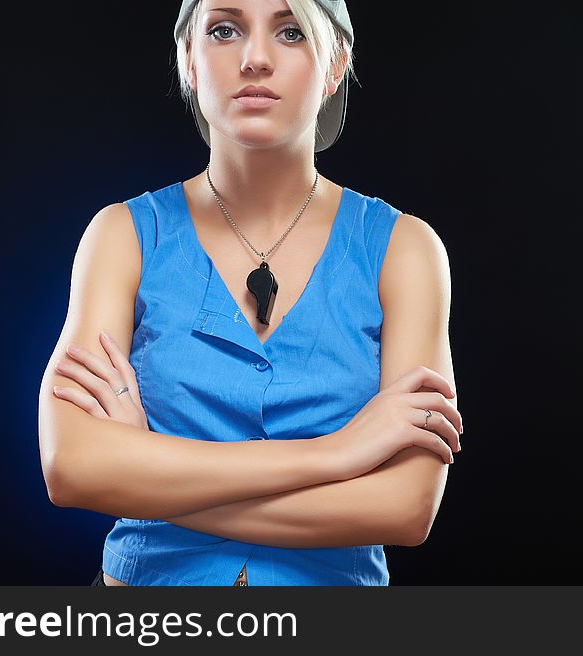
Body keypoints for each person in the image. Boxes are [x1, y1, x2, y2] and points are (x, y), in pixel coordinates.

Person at [38, 0, 462, 587]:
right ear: (188, 59)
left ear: (336, 61)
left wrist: (148, 475)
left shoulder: (405, 250)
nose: (255, 58)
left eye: (290, 32)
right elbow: (72, 467)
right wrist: (335, 454)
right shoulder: (123, 236)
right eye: (224, 30)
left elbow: (406, 507)